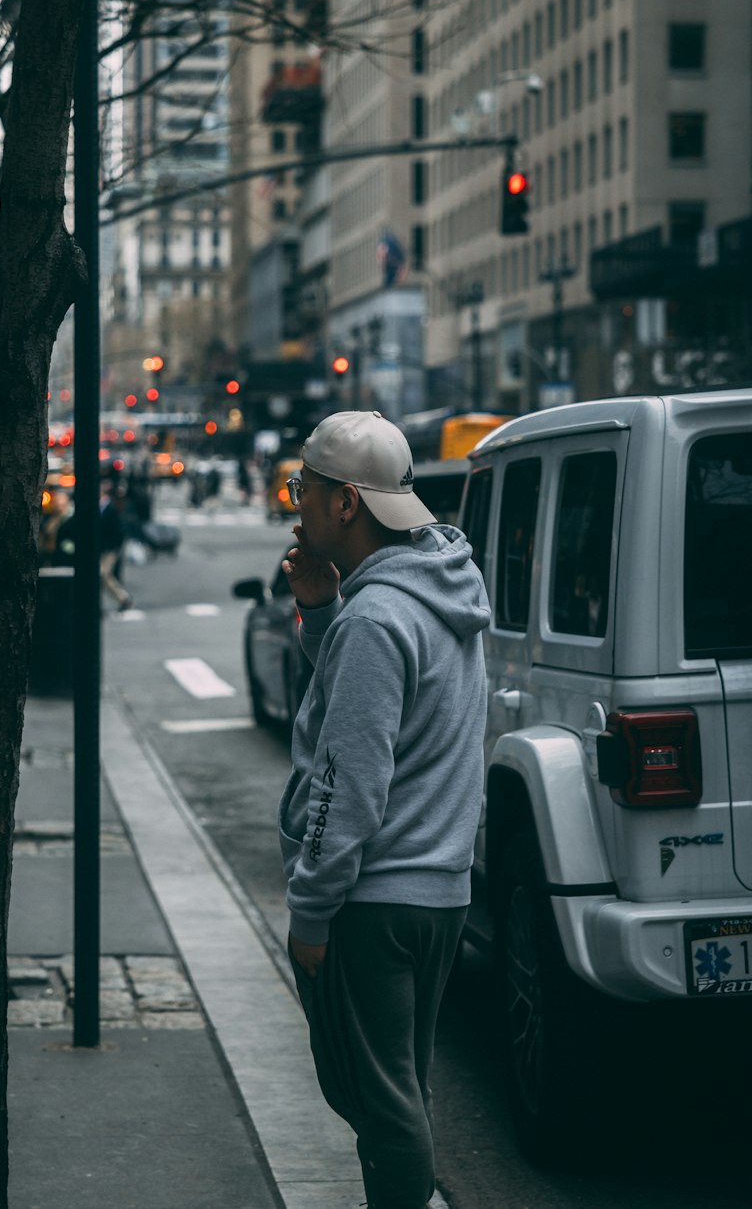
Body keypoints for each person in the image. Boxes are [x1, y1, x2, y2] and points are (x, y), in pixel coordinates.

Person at [277, 410, 490, 1209]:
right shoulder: (439, 590)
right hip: (439, 892)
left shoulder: (375, 618)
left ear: (346, 505)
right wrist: (322, 613)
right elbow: (391, 714)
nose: (295, 503)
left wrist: (311, 906)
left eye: (307, 488)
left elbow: (347, 780)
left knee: (379, 1105)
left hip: (374, 899)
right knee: (402, 1089)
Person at [99, 483, 133, 612]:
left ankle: (123, 598)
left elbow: (119, 529)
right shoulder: (102, 507)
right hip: (103, 548)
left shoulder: (110, 508)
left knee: (102, 574)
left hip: (110, 549)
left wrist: (114, 546)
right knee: (102, 575)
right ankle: (121, 599)